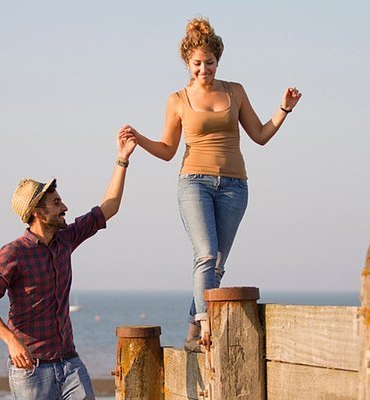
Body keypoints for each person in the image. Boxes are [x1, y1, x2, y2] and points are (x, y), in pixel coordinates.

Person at [122, 17, 302, 352]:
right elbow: (167, 150)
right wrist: (139, 139)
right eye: (197, 64)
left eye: (210, 63)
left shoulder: (235, 91)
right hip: (194, 182)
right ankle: (205, 326)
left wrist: (284, 109)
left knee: (216, 264)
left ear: (218, 61)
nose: (204, 69)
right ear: (187, 63)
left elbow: (260, 136)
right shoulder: (177, 99)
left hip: (235, 186)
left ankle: (192, 336)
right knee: (205, 254)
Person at [0, 131, 136, 400]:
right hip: (32, 369)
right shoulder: (12, 253)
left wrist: (122, 159)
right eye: (56, 203)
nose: (65, 207)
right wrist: (11, 341)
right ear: (38, 213)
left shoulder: (66, 239)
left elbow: (110, 207)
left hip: (70, 363)